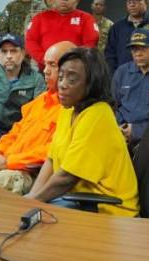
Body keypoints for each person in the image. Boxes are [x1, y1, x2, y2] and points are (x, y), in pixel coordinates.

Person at [26, 48, 140, 216]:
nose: (62, 84)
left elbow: (66, 178)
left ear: (91, 83)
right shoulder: (68, 108)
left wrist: (33, 202)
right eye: (61, 76)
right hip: (75, 198)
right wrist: (31, 197)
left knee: (35, 223)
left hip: (108, 209)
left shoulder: (98, 114)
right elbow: (51, 160)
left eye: (72, 79)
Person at [0, 41, 75, 194]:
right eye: (45, 64)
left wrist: (8, 162)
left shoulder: (71, 108)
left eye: (53, 65)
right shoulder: (40, 101)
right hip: (4, 161)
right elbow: (15, 132)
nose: (46, 71)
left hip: (28, 173)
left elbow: (51, 153)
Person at [25, 0, 99, 69]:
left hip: (74, 70)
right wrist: (47, 60)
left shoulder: (86, 19)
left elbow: (90, 44)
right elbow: (30, 41)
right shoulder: (40, 18)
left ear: (77, 0)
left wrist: (70, 62)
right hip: (46, 70)